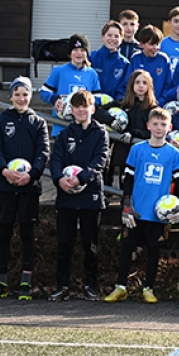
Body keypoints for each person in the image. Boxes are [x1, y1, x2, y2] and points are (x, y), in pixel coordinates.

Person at [106, 107, 179, 304]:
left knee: (154, 251)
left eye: (163, 125)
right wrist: (126, 203)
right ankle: (121, 287)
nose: (159, 128)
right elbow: (128, 179)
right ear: (148, 125)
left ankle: (148, 288)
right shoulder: (137, 149)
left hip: (158, 214)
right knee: (127, 248)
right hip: (135, 211)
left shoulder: (174, 154)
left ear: (169, 127)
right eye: (155, 124)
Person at [48, 89, 110, 302]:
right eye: (77, 107)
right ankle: (62, 286)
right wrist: (59, 179)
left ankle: (91, 286)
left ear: (92, 109)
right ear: (71, 110)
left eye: (85, 106)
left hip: (90, 197)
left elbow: (100, 160)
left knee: (90, 245)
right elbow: (55, 160)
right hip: (66, 197)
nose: (81, 110)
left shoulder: (101, 133)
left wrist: (81, 177)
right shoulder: (65, 135)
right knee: (64, 244)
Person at [0, 77, 48, 300]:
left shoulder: (38, 123)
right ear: (10, 97)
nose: (21, 98)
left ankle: (26, 280)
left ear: (30, 96)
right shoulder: (0, 121)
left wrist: (31, 175)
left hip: (29, 187)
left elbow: (43, 152)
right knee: (3, 232)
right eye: (17, 94)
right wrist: (4, 171)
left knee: (27, 232)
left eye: (25, 94)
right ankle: (1, 280)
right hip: (4, 186)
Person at [40, 33, 101, 135]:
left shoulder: (92, 73)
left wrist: (87, 104)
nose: (79, 53)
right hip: (61, 128)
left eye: (82, 50)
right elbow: (44, 92)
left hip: (84, 129)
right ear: (69, 53)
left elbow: (97, 98)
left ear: (87, 53)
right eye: (75, 50)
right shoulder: (58, 71)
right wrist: (55, 99)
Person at [126, 25, 176, 104]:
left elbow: (168, 84)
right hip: (138, 104)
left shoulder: (164, 59)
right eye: (151, 44)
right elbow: (128, 82)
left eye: (157, 44)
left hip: (158, 104)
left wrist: (161, 101)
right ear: (142, 44)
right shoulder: (136, 58)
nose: (155, 47)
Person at [91, 20, 131, 101]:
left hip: (114, 105)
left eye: (116, 36)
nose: (112, 39)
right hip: (91, 103)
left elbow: (123, 87)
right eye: (109, 35)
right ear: (102, 37)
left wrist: (118, 101)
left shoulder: (125, 64)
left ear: (122, 38)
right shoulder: (92, 57)